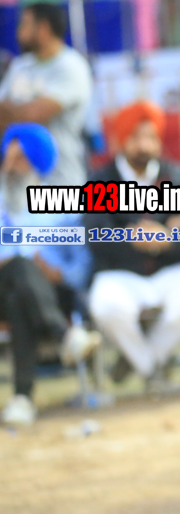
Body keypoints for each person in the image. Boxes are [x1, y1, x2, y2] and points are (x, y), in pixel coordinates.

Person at [85, 101, 180, 385]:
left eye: (150, 137)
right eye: (136, 137)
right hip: (121, 272)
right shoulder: (100, 180)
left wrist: (165, 239)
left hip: (172, 269)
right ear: (121, 140)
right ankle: (151, 368)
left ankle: (138, 359)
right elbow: (95, 233)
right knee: (106, 306)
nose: (144, 145)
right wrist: (132, 237)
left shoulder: (177, 175)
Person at [0, 124, 97, 426]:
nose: (10, 166)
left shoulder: (62, 207)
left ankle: (22, 398)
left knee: (20, 294)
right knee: (19, 268)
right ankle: (65, 335)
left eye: (19, 158)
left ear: (37, 160)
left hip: (52, 294)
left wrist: (58, 274)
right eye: (7, 158)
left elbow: (81, 267)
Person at [0, 4, 93, 186]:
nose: (18, 31)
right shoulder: (20, 65)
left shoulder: (72, 66)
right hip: (17, 180)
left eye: (24, 24)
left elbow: (32, 116)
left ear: (43, 28)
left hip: (61, 180)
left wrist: (14, 112)